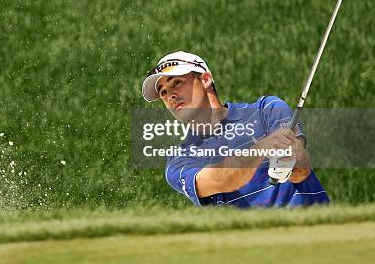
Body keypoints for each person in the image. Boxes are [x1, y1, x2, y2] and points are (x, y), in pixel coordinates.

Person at [141, 51, 329, 207]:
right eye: (163, 92)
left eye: (177, 83)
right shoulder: (180, 161)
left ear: (205, 79)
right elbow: (220, 180)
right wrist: (264, 147)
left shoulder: (266, 109)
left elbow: (301, 166)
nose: (170, 96)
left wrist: (289, 162)